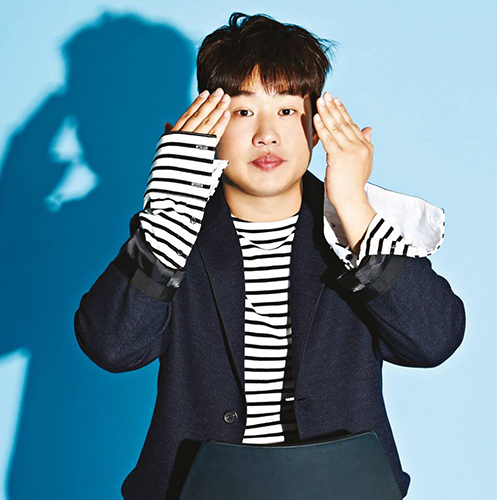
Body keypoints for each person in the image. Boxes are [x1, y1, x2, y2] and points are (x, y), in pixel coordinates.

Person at [74, 12, 466, 499]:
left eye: (286, 110)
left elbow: (432, 342)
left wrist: (352, 206)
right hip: (199, 489)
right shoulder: (175, 231)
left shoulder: (356, 231)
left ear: (317, 127)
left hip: (343, 486)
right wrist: (170, 215)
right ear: (206, 127)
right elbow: (113, 348)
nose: (266, 134)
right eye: (242, 112)